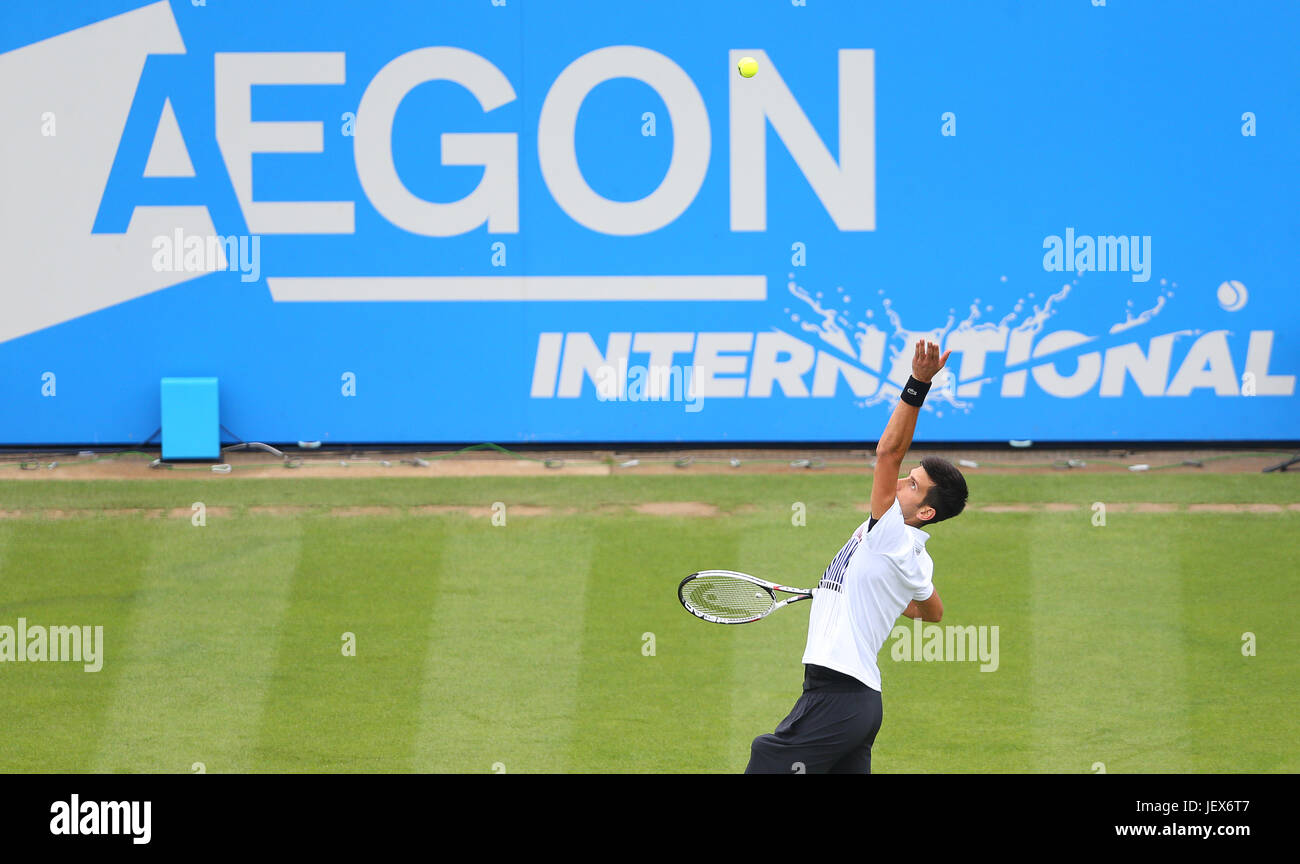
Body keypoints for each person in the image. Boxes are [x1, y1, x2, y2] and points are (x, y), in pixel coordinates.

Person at [745, 339, 968, 774]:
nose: (902, 480)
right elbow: (933, 611)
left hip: (837, 696)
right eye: (908, 476)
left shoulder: (890, 532)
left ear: (925, 512)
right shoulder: (915, 556)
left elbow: (887, 452)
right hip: (859, 704)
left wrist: (918, 384)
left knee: (766, 757)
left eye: (913, 484)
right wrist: (880, 597)